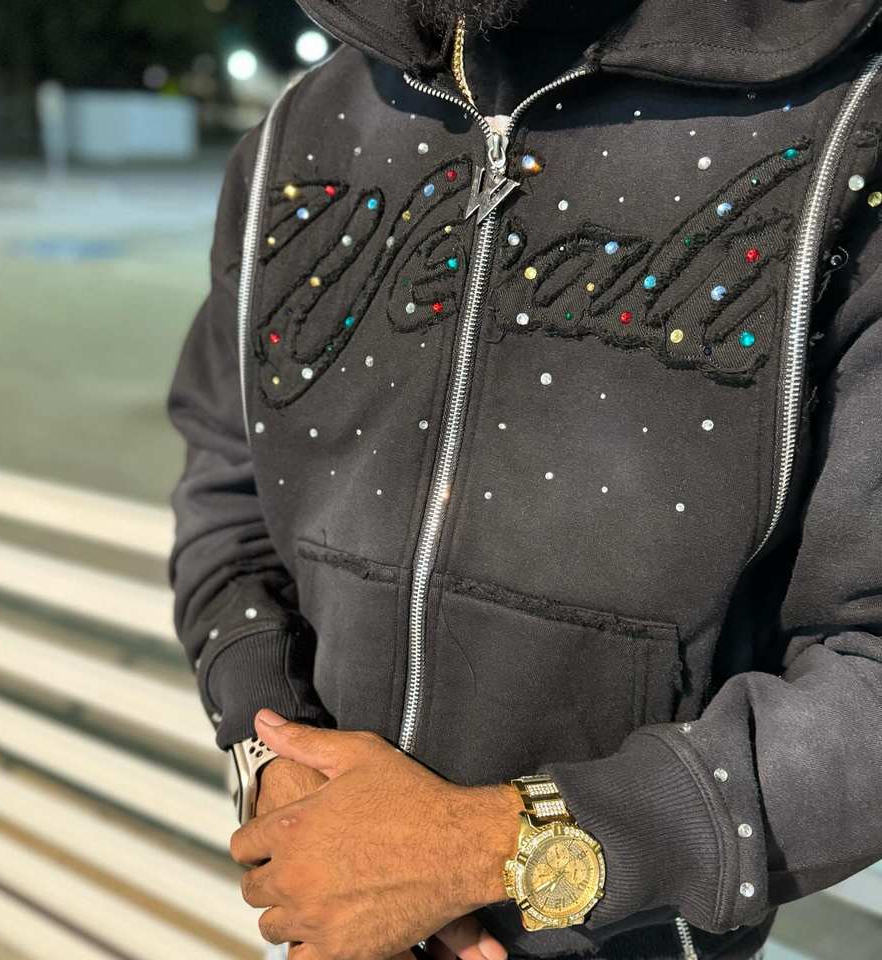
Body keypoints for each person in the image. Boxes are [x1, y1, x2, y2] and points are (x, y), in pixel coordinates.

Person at [166, 1, 882, 958]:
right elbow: (226, 487)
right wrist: (277, 752)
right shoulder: (299, 129)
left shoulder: (854, 119)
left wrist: (497, 848)